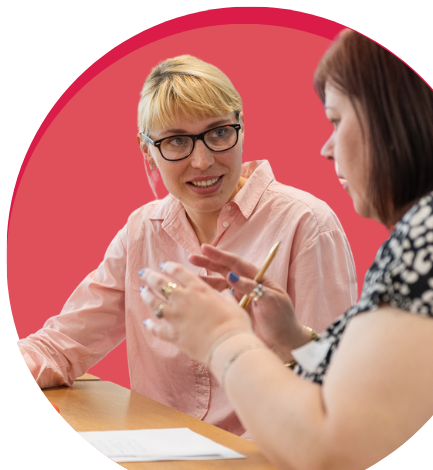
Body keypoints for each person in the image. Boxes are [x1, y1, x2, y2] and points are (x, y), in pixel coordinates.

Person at [138, 30, 433, 470]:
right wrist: (293, 339)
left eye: (336, 119)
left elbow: (334, 452)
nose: (327, 148)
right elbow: (378, 382)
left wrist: (221, 337)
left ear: (390, 124)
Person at [16, 55, 358, 438]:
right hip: (161, 462)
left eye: (218, 133)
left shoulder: (306, 224)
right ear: (147, 151)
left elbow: (337, 383)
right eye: (176, 141)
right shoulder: (142, 230)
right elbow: (60, 346)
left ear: (241, 128)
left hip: (269, 465)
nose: (202, 161)